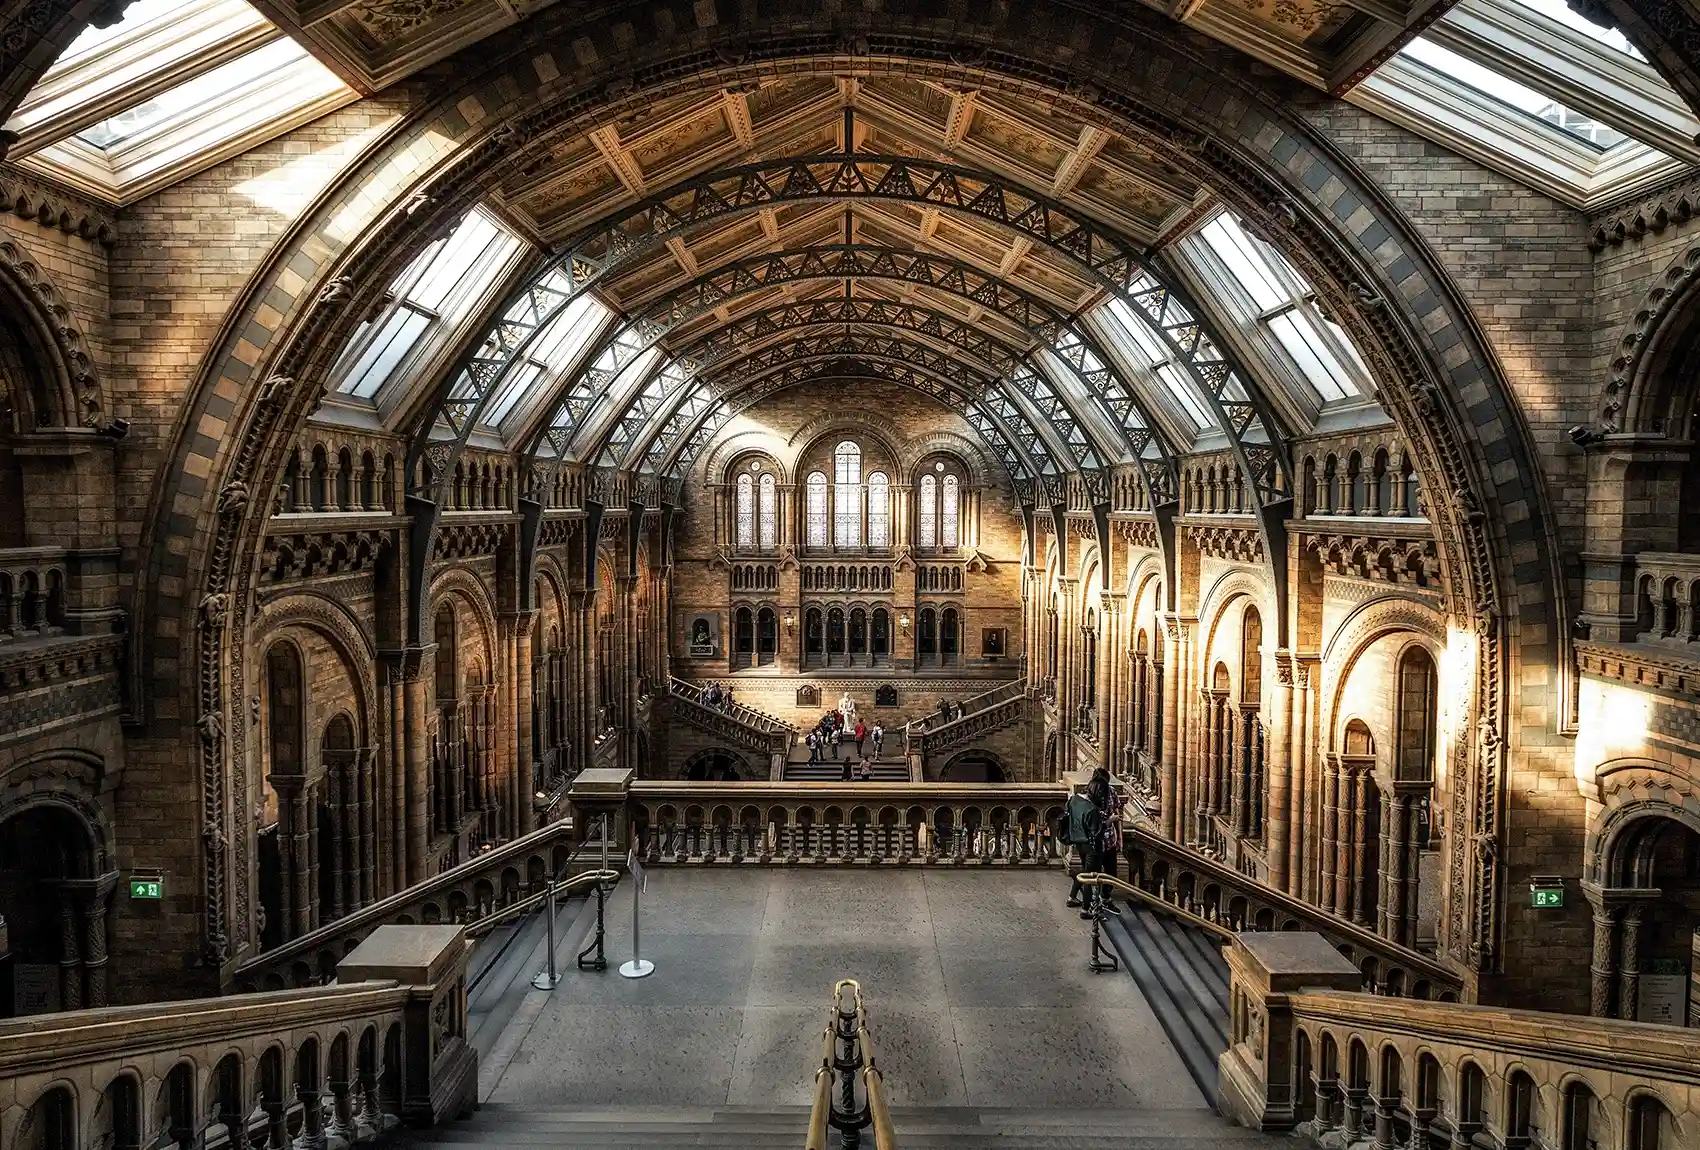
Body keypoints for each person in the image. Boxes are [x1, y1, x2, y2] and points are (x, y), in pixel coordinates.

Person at [1065, 775, 1105, 918]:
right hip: (1091, 846)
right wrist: (1109, 821)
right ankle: (1085, 909)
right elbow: (1097, 831)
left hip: (1078, 842)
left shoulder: (1074, 799)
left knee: (1084, 870)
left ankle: (1072, 897)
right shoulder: (1092, 809)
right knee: (1089, 876)